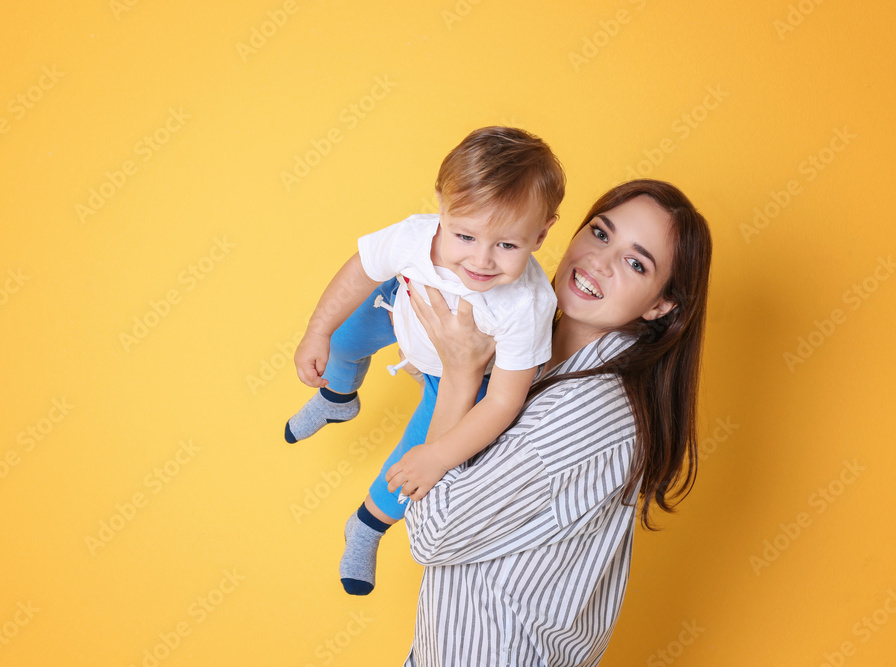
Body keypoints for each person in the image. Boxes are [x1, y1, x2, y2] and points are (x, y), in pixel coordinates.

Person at [387, 179, 712, 666]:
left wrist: (459, 374)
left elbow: (433, 532)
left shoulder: (585, 410)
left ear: (660, 305)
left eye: (635, 262)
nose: (599, 261)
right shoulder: (539, 357)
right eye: (601, 233)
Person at [284, 127, 566, 595]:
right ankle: (338, 397)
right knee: (340, 337)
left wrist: (438, 455)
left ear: (541, 233)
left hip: (461, 375)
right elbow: (359, 270)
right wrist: (317, 330)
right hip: (403, 307)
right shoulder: (415, 237)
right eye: (465, 235)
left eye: (507, 245)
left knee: (415, 464)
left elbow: (502, 402)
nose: (481, 259)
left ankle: (366, 526)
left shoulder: (527, 305)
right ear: (441, 206)